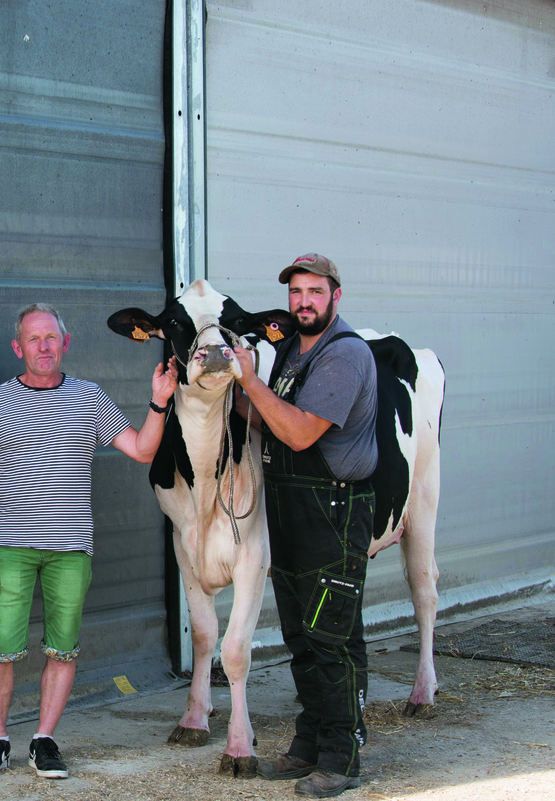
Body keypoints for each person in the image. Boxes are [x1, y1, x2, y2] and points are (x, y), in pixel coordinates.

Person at [0, 303, 178, 780]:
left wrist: (159, 401)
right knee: (0, 648)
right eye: (33, 340)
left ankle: (44, 740)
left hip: (70, 548)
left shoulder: (90, 398)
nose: (43, 347)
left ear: (65, 343)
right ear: (18, 348)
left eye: (51, 338)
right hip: (11, 545)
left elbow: (142, 450)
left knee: (63, 648)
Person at [231, 253, 378, 798]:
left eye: (314, 292)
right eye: (296, 293)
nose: (303, 302)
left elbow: (297, 433)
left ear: (335, 295)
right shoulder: (293, 350)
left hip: (333, 512)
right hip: (290, 508)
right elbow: (265, 419)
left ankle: (342, 759)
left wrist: (251, 379)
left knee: (331, 637)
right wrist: (230, 391)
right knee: (299, 635)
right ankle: (309, 745)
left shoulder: (345, 356)